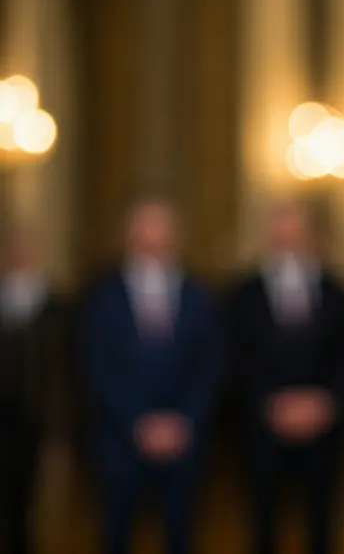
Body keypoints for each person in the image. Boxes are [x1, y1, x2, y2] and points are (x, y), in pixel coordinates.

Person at [80, 198, 224, 554]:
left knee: (181, 533)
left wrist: (185, 420)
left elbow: (211, 366)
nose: (153, 238)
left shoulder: (201, 296)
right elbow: (97, 367)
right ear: (127, 235)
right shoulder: (102, 297)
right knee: (117, 533)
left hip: (184, 439)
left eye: (161, 228)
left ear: (177, 236)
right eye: (145, 228)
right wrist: (136, 422)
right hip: (120, 439)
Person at [228, 201, 344, 554]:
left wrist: (325, 402)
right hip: (263, 428)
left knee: (323, 524)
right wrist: (270, 402)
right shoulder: (242, 296)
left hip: (324, 429)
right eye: (281, 232)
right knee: (263, 524)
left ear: (312, 236)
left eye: (296, 232)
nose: (288, 240)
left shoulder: (340, 294)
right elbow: (236, 359)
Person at [0, 230, 71, 554]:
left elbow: (63, 369)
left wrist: (59, 427)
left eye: (27, 250)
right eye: (15, 250)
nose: (21, 256)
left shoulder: (56, 307)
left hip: (37, 418)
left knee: (30, 498)